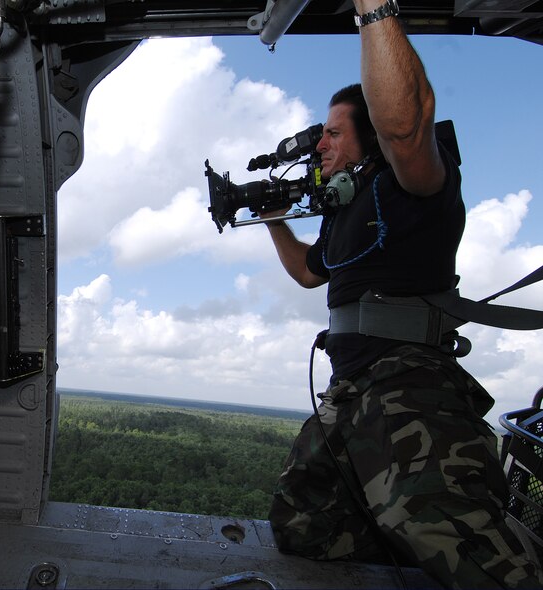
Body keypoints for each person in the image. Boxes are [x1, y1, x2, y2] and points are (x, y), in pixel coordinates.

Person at [262, 2, 543, 588]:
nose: (320, 146)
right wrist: (274, 223)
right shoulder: (343, 215)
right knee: (302, 526)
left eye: (334, 133)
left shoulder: (411, 184)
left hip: (407, 383)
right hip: (352, 390)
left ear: (371, 138)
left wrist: (373, 7)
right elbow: (310, 275)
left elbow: (407, 128)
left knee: (467, 554)